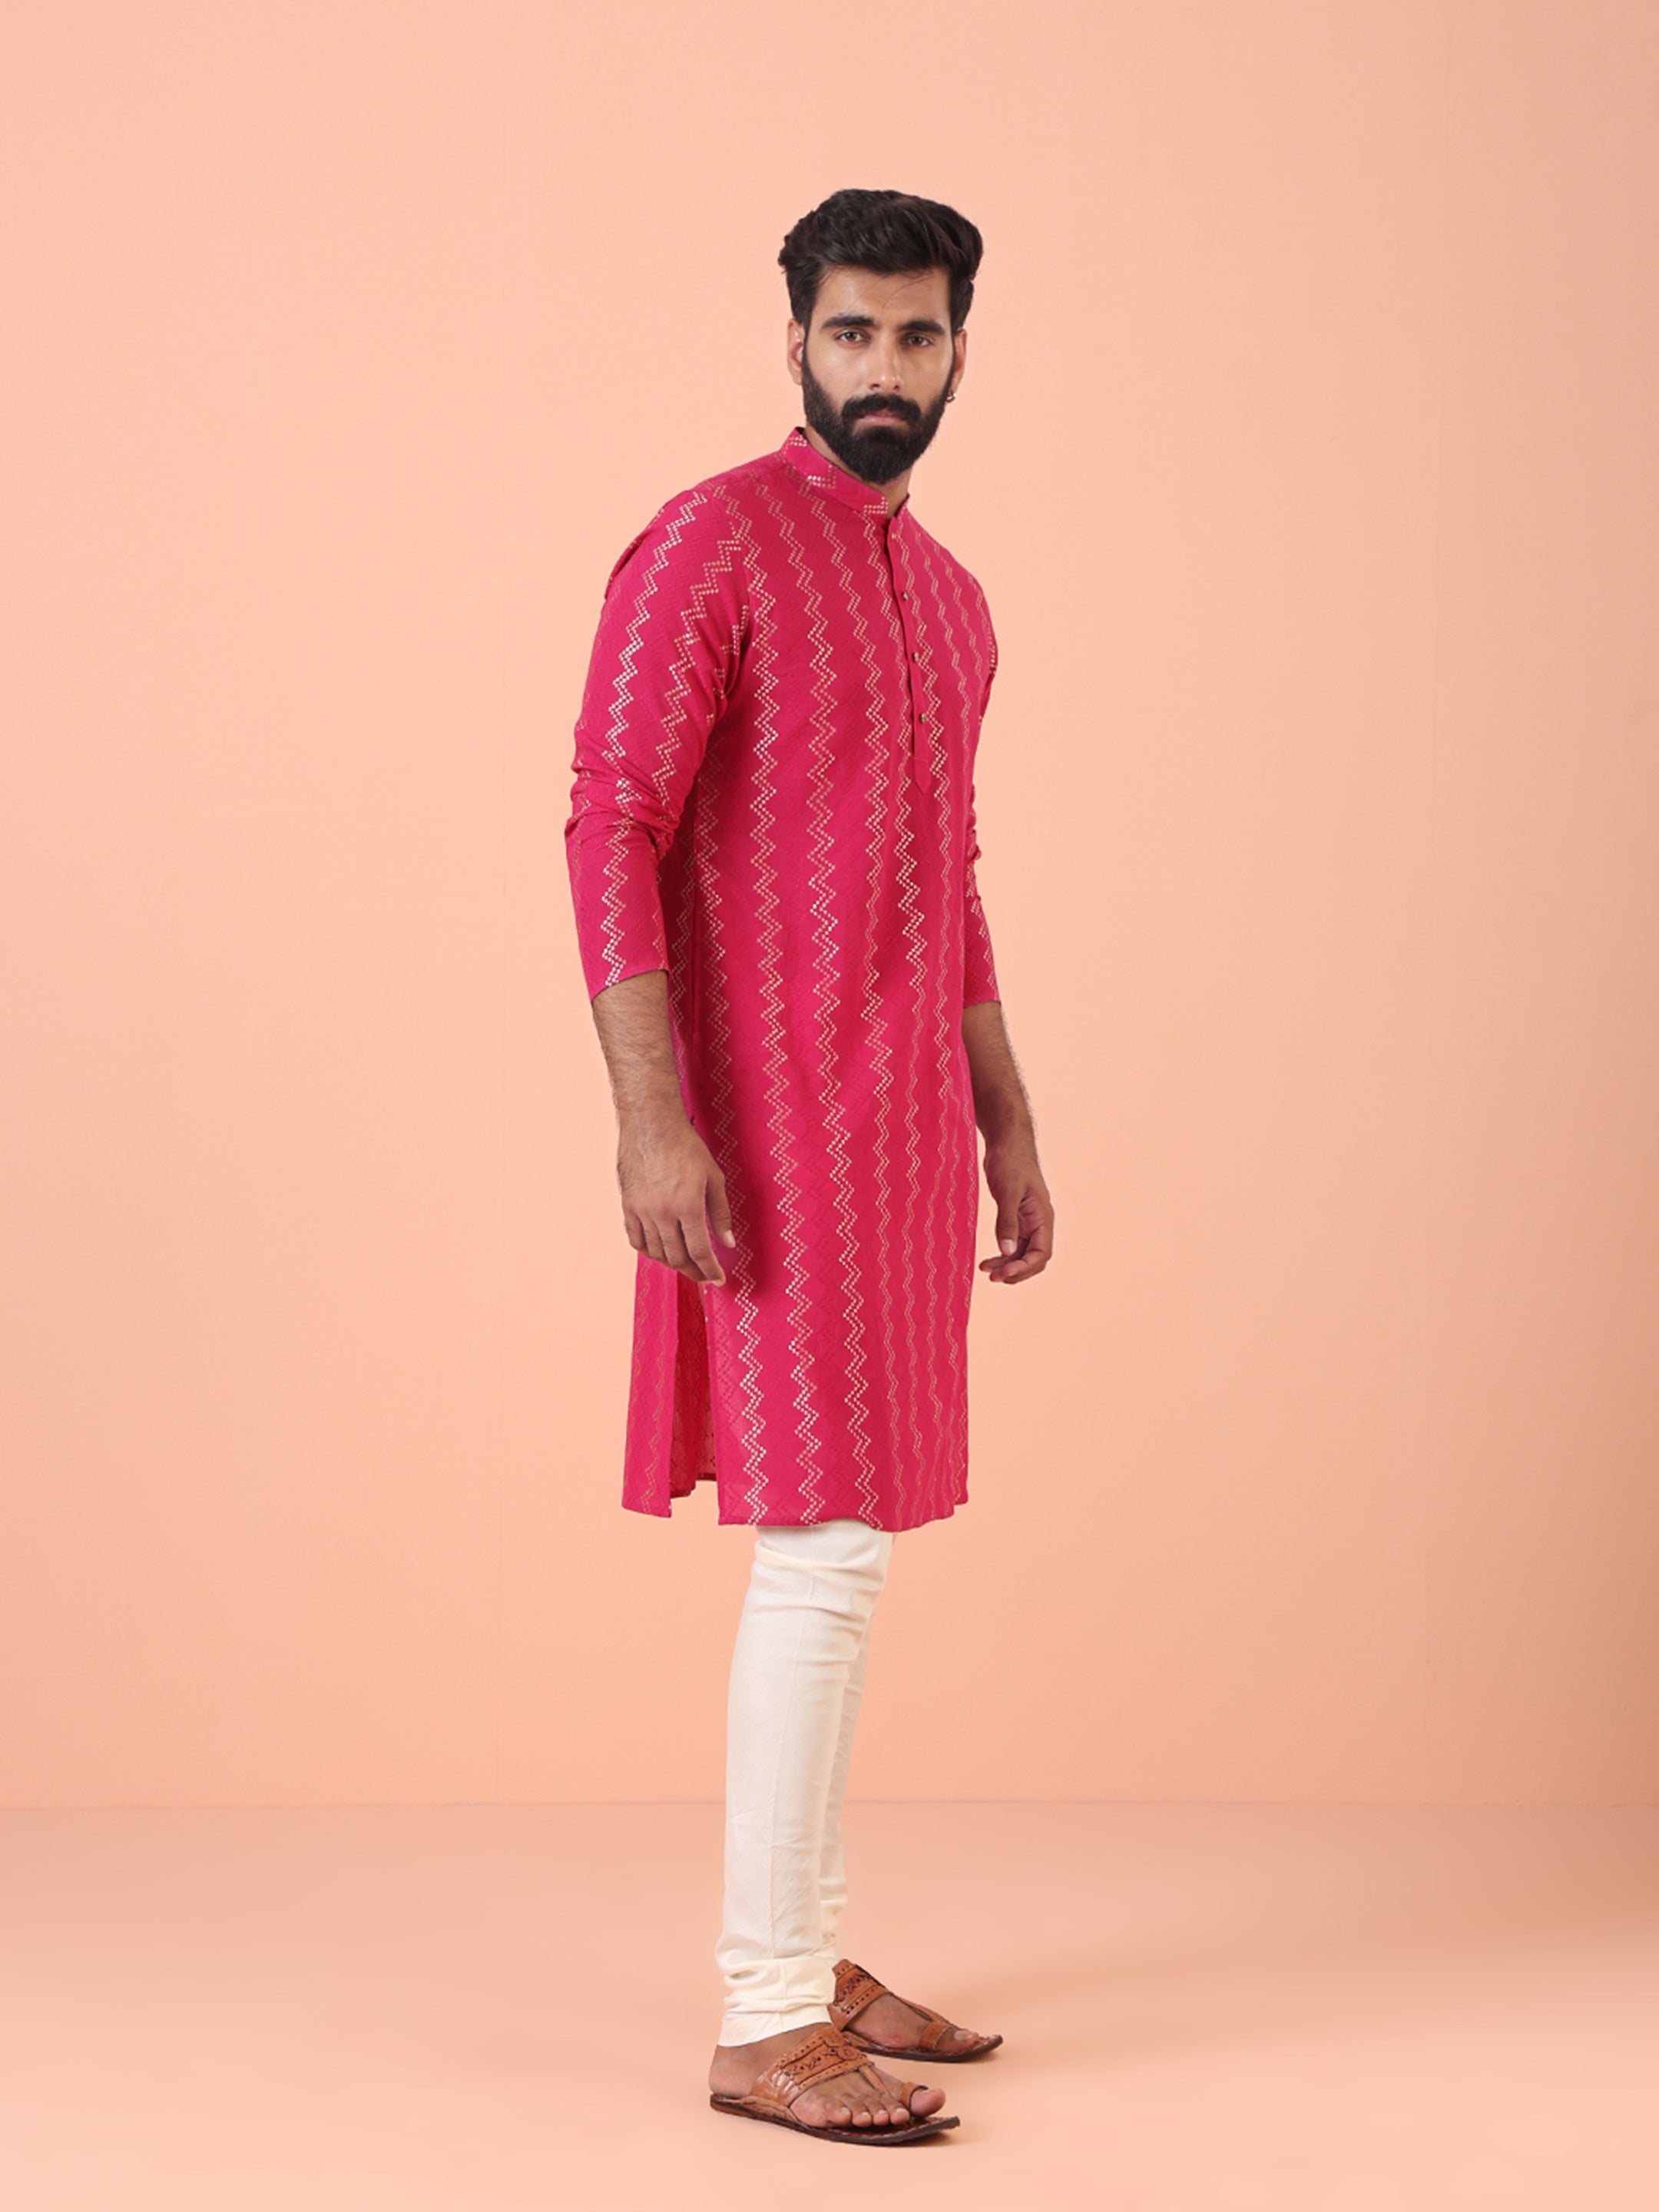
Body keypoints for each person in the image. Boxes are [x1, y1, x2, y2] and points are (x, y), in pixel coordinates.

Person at [564, 187, 1055, 2147]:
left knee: (857, 1540)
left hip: (908, 1133)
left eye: (918, 336)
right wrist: (650, 1114)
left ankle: (814, 1951)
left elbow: (954, 877)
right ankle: (768, 2008)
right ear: (796, 341)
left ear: (959, 351)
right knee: (825, 1547)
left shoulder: (956, 598)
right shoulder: (711, 540)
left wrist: (1007, 1113)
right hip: (766, 1127)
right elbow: (610, 818)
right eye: (852, 332)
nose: (885, 368)